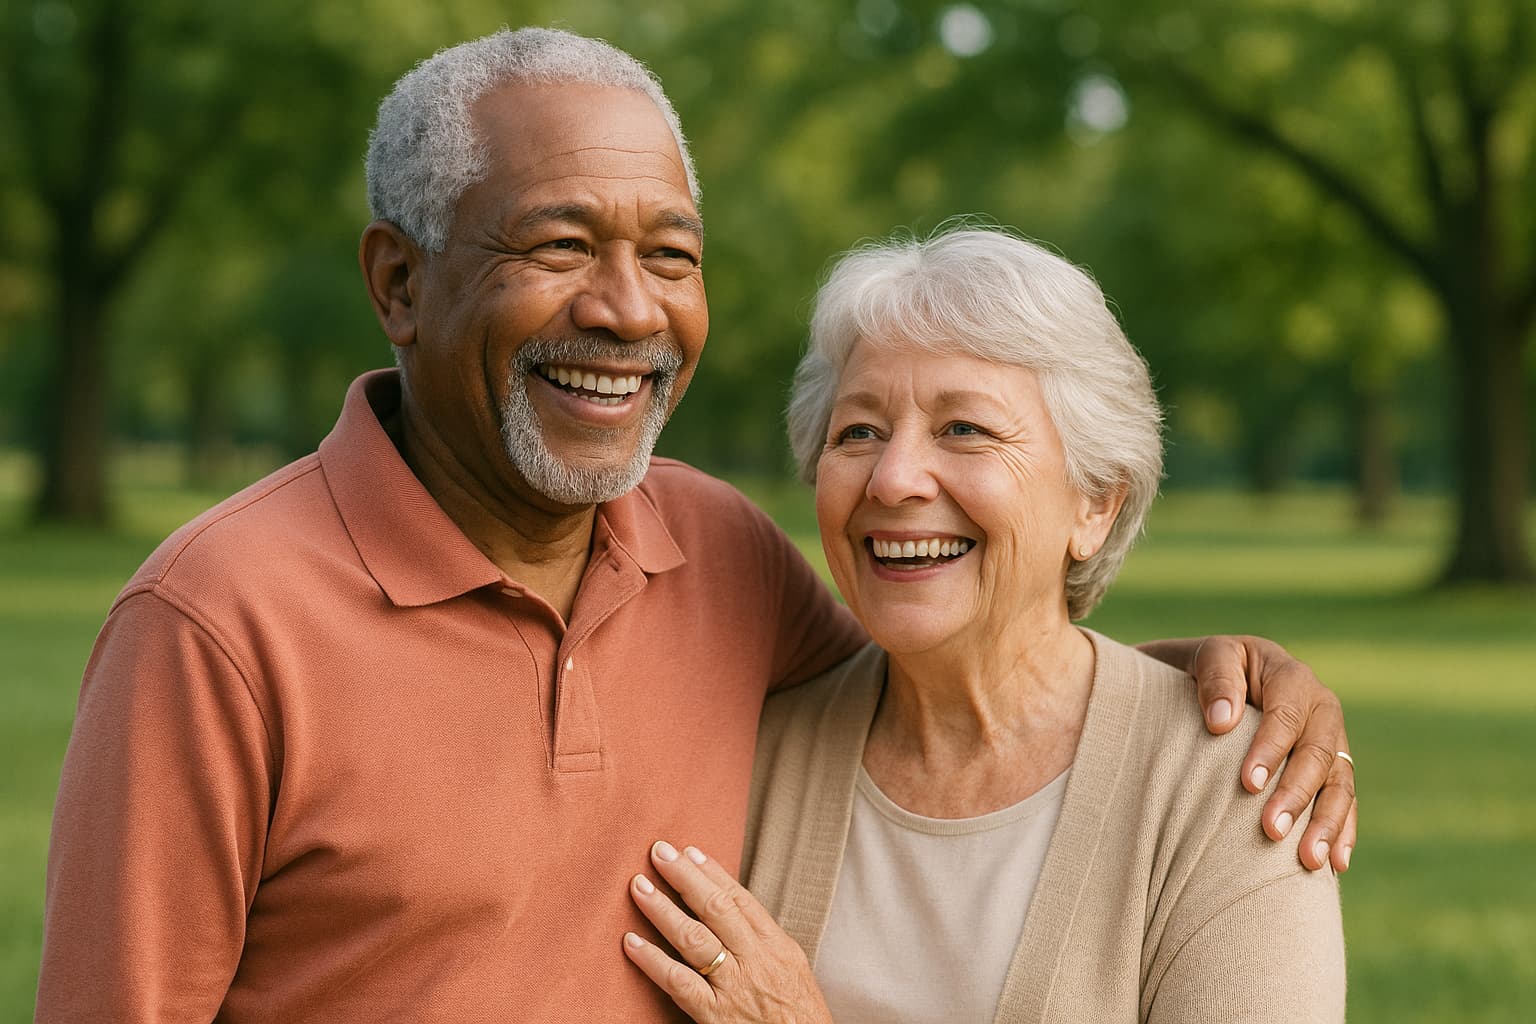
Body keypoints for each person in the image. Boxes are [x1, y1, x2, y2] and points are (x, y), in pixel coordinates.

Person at [37, 30, 1353, 1023]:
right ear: (400, 281)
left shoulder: (719, 559)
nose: (625, 310)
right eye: (559, 244)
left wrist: (1213, 677)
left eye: (669, 254)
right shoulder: (218, 624)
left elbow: (965, 664)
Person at [622, 227, 1347, 1023]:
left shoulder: (1229, 789)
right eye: (858, 431)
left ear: (1095, 502)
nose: (894, 479)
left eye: (964, 429)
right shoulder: (746, 753)